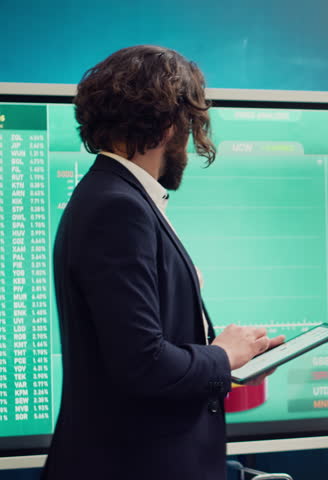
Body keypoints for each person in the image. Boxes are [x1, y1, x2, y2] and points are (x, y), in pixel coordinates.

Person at [42, 45, 283, 479]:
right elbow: (144, 366)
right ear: (171, 123)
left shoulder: (113, 196)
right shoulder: (117, 208)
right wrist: (222, 356)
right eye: (191, 125)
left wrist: (234, 355)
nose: (191, 142)